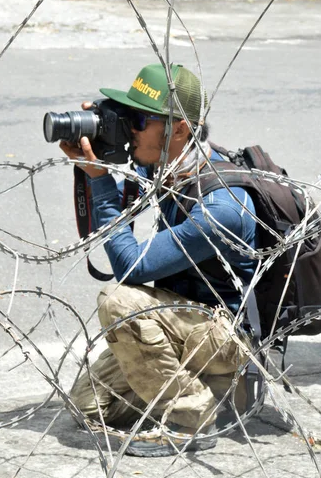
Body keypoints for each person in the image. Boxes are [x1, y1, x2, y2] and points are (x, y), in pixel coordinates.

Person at [60, 63, 257, 456]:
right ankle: (200, 387)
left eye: (136, 119)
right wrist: (102, 132)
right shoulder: (169, 168)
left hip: (225, 338)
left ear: (179, 129)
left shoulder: (222, 204)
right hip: (182, 322)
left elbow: (133, 267)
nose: (128, 128)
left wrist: (100, 182)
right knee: (85, 408)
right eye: (125, 117)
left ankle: (192, 417)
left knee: (119, 301)